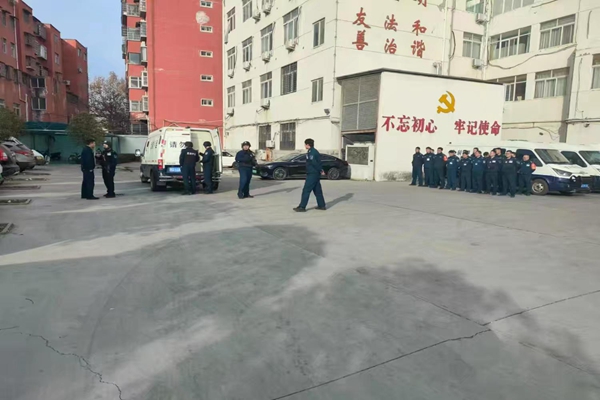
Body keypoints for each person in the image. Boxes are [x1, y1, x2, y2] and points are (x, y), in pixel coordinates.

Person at [294, 138, 326, 212]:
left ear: (308, 145)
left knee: (306, 190)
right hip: (315, 173)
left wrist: (321, 170)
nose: (305, 146)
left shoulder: (312, 152)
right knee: (317, 190)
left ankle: (302, 207)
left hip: (312, 174)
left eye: (305, 144)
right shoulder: (312, 151)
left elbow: (314, 163)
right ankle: (322, 205)